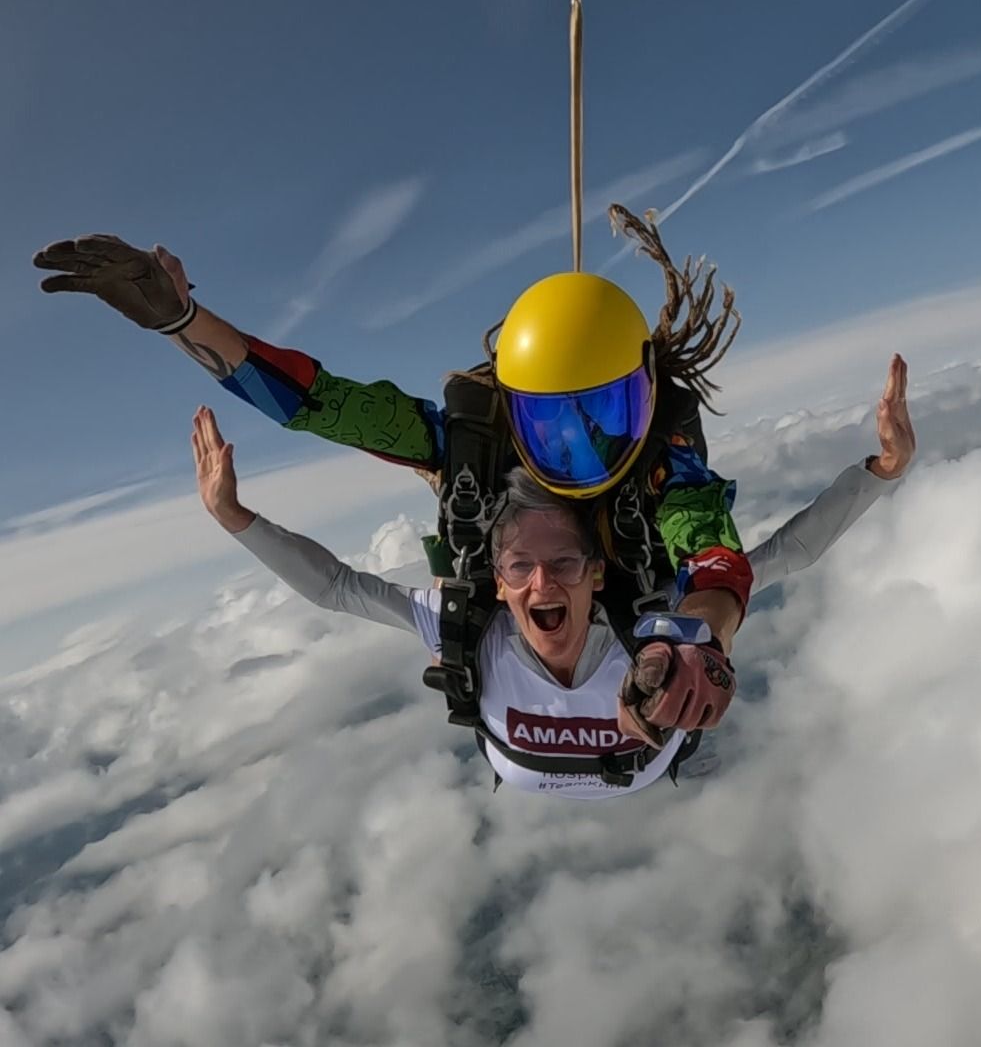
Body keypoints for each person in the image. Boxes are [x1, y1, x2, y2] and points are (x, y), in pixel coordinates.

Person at [33, 211, 915, 748]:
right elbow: (326, 404)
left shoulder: (654, 476)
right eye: (552, 420)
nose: (580, 450)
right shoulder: (478, 453)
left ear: (646, 403)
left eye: (607, 412)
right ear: (512, 409)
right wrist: (186, 321)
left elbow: (719, 553)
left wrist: (697, 632)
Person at [192, 355, 912, 796]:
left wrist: (238, 520)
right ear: (504, 587)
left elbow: (340, 590)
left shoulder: (594, 633)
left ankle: (463, 470)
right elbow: (789, 554)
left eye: (564, 565)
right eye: (522, 572)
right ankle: (467, 476)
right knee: (480, 527)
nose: (542, 585)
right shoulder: (619, 628)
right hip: (610, 750)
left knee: (475, 516)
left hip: (539, 749)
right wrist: (881, 474)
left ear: (596, 576)